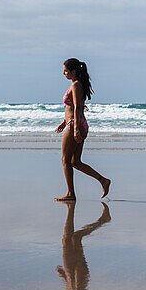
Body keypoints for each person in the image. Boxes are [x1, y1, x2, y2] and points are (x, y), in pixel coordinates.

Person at [54, 58, 110, 202]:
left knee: (65, 160)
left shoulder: (76, 86)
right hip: (75, 123)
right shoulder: (76, 85)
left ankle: (70, 194)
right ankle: (103, 180)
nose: (63, 73)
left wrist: (75, 129)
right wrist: (64, 122)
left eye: (65, 70)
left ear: (73, 71)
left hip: (75, 124)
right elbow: (72, 107)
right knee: (75, 162)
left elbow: (78, 107)